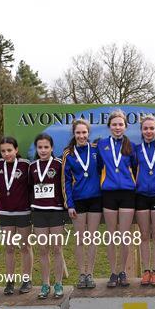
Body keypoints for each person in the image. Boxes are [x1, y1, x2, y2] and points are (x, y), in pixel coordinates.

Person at [97, 110, 137, 287]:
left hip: (127, 194)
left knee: (124, 236)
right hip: (109, 194)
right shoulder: (101, 145)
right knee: (112, 235)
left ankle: (123, 271)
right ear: (109, 127)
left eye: (121, 124)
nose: (117, 127)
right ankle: (113, 272)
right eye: (114, 124)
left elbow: (135, 168)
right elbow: (98, 167)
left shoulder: (131, 146)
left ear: (125, 126)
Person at [62, 120, 102, 289]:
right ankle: (81, 274)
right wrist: (69, 204)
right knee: (79, 239)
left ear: (88, 133)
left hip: (95, 199)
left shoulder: (95, 150)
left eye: (84, 132)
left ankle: (90, 274)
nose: (81, 136)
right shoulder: (68, 154)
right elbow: (65, 181)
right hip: (77, 201)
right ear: (74, 134)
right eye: (78, 133)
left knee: (92, 239)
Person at [0, 137, 33, 295]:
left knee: (25, 247)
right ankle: (10, 281)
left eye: (9, 150)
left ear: (16, 150)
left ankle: (27, 279)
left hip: (23, 211)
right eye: (3, 151)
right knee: (9, 248)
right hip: (5, 212)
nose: (6, 154)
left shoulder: (26, 165)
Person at [30, 133, 66, 299]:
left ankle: (58, 283)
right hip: (39, 212)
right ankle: (45, 284)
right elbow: (30, 189)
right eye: (40, 147)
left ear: (52, 148)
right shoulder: (32, 166)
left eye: (46, 147)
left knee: (57, 249)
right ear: (36, 149)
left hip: (56, 212)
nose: (43, 150)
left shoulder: (59, 165)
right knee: (43, 250)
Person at [135, 114, 155, 287]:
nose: (148, 131)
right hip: (140, 195)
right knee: (144, 235)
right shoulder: (136, 149)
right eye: (145, 128)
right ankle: (146, 271)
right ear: (141, 130)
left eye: (152, 128)